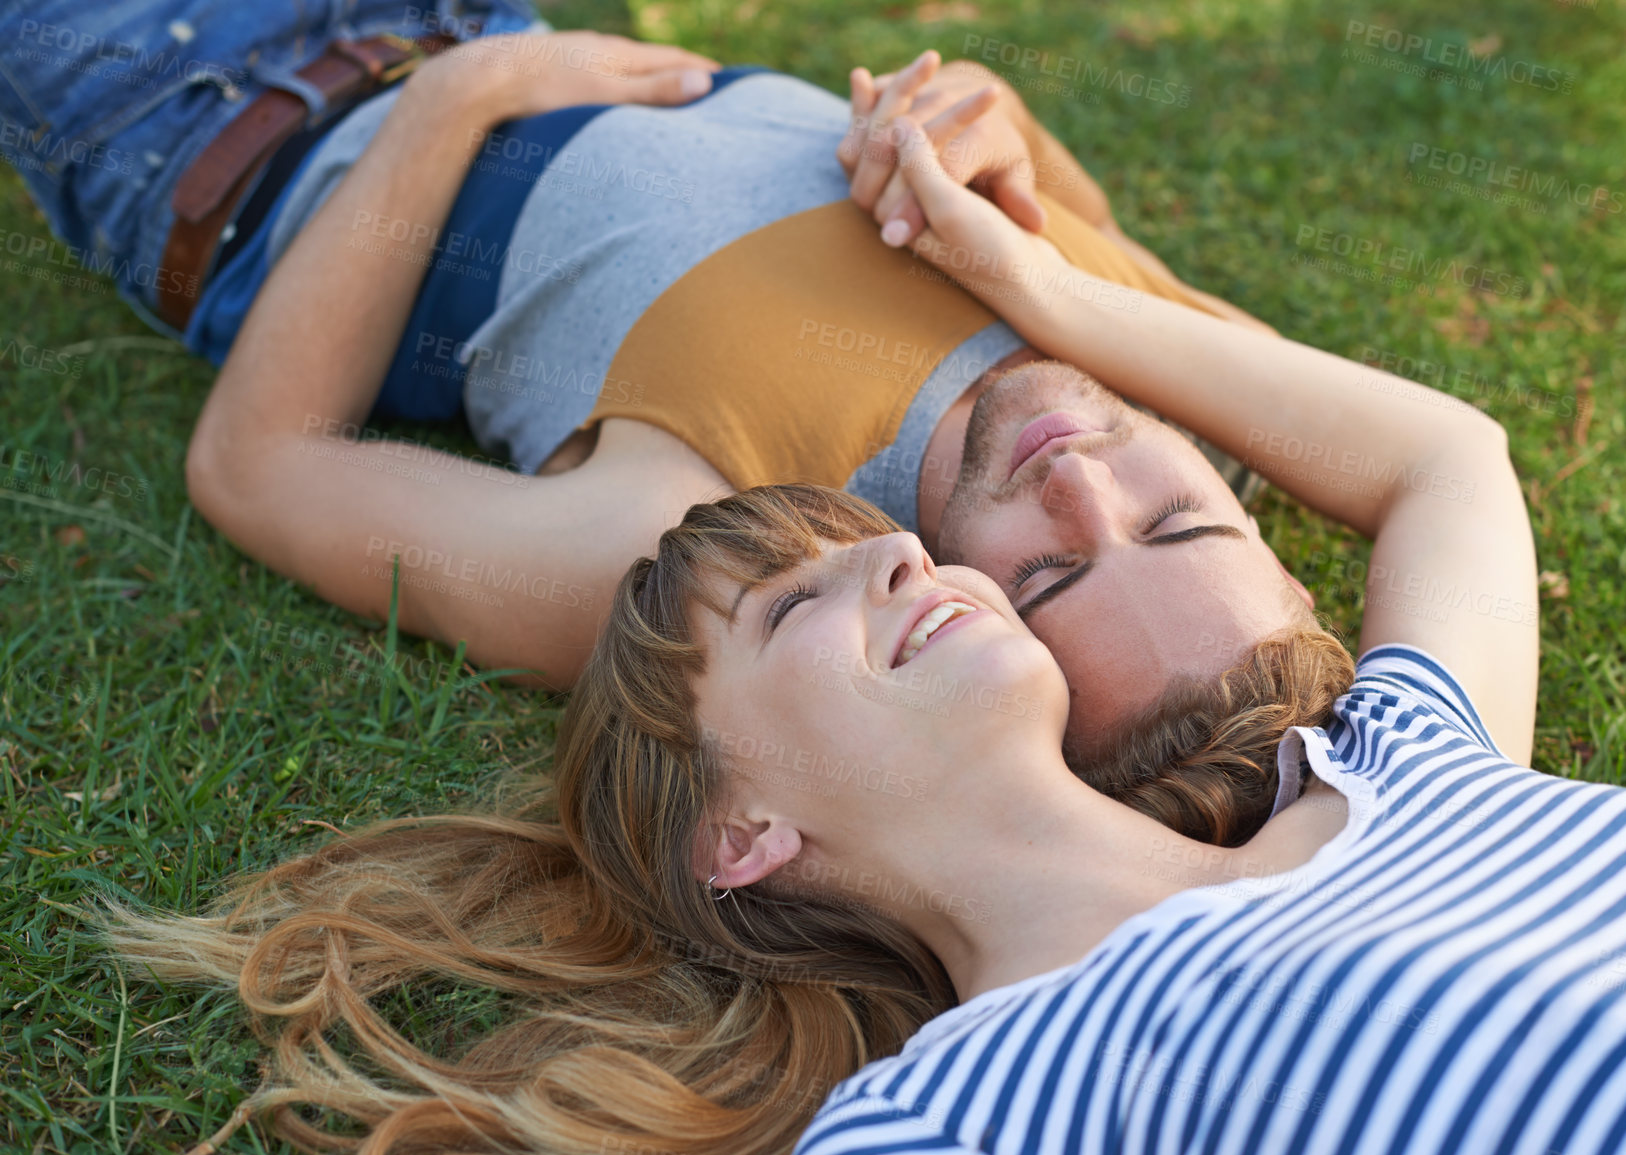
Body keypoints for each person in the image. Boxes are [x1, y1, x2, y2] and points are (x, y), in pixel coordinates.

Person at [111, 483, 1626, 1155]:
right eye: (801, 598)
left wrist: (1033, 271)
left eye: (897, 543)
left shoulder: (1393, 753)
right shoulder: (950, 1121)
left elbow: (1453, 463)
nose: (904, 562)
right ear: (735, 831)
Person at [5, 4, 1376, 757]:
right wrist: (988, 128)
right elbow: (1068, 208)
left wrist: (455, 101)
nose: (1077, 476)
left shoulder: (732, 544)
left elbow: (259, 466)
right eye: (1178, 517)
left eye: (1047, 575)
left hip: (205, 108)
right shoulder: (1207, 389)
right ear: (1251, 521)